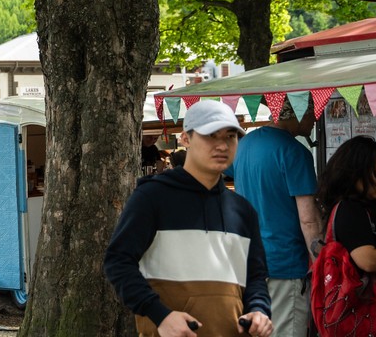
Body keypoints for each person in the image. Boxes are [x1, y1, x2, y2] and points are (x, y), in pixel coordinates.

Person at [104, 100, 273, 337]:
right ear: (186, 139)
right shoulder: (151, 197)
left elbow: (255, 277)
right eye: (211, 136)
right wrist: (160, 315)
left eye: (230, 136)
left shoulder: (243, 210)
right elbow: (118, 262)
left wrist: (258, 310)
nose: (222, 145)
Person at [229, 101, 321, 337]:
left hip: (247, 260)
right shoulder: (296, 152)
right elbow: (308, 220)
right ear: (298, 112)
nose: (315, 120)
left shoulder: (244, 144)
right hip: (285, 264)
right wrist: (321, 265)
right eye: (312, 112)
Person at [315, 136, 376, 335]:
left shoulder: (365, 207)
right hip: (371, 306)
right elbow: (368, 260)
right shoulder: (350, 210)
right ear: (357, 174)